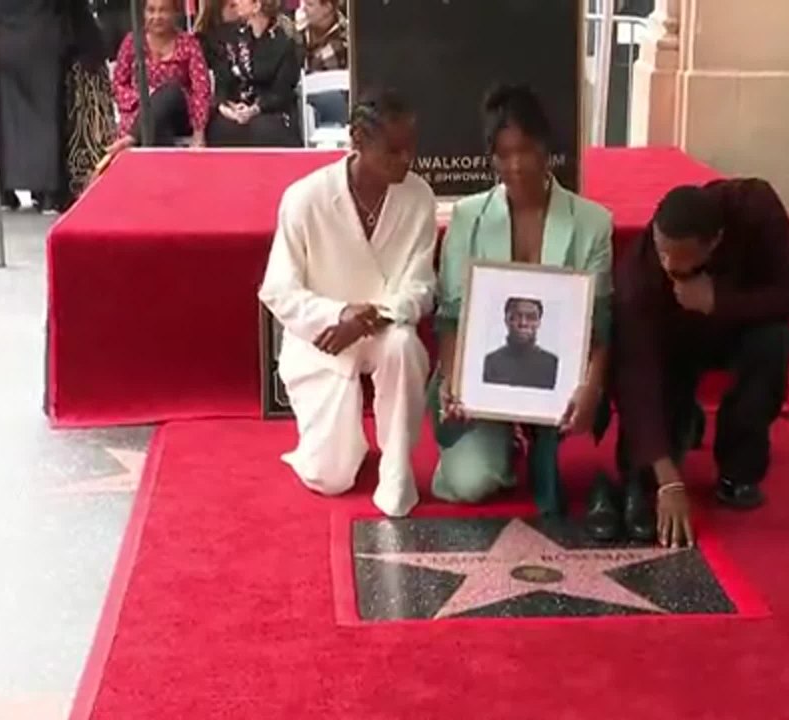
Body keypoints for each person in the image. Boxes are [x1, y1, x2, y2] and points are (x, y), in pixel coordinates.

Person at [431, 84, 612, 516]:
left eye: (526, 150)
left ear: (546, 149)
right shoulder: (468, 217)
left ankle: (542, 441)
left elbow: (601, 324)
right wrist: (455, 386)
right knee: (469, 482)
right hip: (487, 376)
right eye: (502, 153)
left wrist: (590, 387)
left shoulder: (592, 223)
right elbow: (451, 318)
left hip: (560, 380)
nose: (514, 165)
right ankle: (507, 443)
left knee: (575, 487)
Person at [257, 89, 437, 518]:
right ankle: (339, 443)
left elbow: (421, 287)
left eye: (411, 147)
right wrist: (338, 315)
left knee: (405, 347)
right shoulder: (305, 198)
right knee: (331, 477)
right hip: (323, 336)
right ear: (357, 138)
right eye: (393, 150)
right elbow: (278, 290)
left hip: (383, 330)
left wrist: (371, 316)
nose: (406, 159)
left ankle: (397, 467)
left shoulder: (419, 197)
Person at [605, 182, 789, 548]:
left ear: (714, 242)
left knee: (773, 341)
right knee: (645, 470)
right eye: (661, 251)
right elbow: (637, 374)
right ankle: (686, 418)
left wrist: (720, 303)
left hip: (738, 332)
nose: (667, 264)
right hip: (669, 350)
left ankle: (737, 472)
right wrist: (668, 479)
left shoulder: (755, 208)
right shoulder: (638, 272)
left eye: (679, 258)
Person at [0, 0, 70, 212]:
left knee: (2, 114)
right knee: (46, 112)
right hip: (41, 35)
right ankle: (48, 191)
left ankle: (3, 188)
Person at [108, 0, 211, 152]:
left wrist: (199, 131)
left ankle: (132, 138)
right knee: (158, 128)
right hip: (140, 113)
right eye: (151, 10)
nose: (157, 16)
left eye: (163, 11)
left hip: (179, 115)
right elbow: (118, 84)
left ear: (175, 13)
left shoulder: (189, 44)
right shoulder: (132, 41)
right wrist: (145, 98)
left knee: (169, 91)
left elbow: (202, 90)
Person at [205, 0, 301, 147]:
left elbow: (282, 93)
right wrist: (227, 108)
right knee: (219, 128)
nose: (235, 1)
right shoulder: (230, 37)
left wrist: (254, 110)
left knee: (262, 129)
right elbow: (222, 81)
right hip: (235, 109)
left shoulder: (284, 43)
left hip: (270, 112)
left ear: (256, 6)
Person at [62, 0, 115, 202]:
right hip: (84, 50)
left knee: (87, 120)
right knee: (89, 121)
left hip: (82, 54)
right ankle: (91, 179)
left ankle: (87, 180)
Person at [482, 297, 559, 390]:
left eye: (531, 317)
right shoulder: (490, 363)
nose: (523, 323)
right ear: (506, 320)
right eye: (516, 317)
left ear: (539, 322)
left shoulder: (552, 365)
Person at [297, 0, 347, 128]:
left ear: (327, 7)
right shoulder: (296, 33)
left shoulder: (347, 38)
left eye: (310, 4)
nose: (304, 9)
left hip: (335, 108)